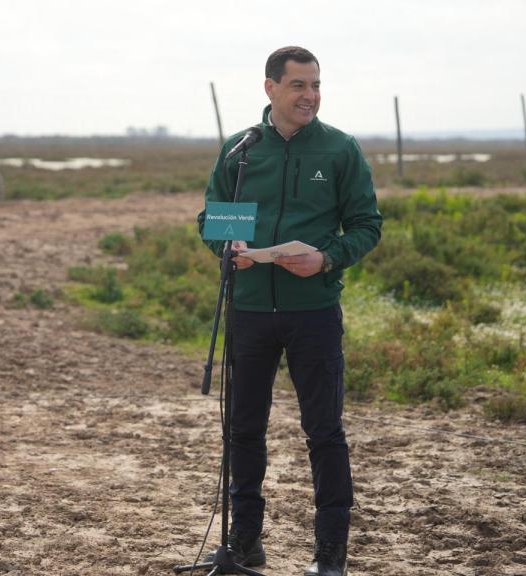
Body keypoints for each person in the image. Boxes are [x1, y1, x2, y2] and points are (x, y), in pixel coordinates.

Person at [197, 46, 382, 576]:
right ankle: (243, 544)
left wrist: (326, 258)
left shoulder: (339, 149)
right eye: (299, 85)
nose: (310, 95)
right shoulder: (241, 150)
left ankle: (330, 556)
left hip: (313, 312)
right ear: (270, 88)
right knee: (243, 430)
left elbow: (367, 225)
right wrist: (227, 247)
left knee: (324, 432)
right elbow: (212, 219)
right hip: (250, 310)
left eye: (316, 85)